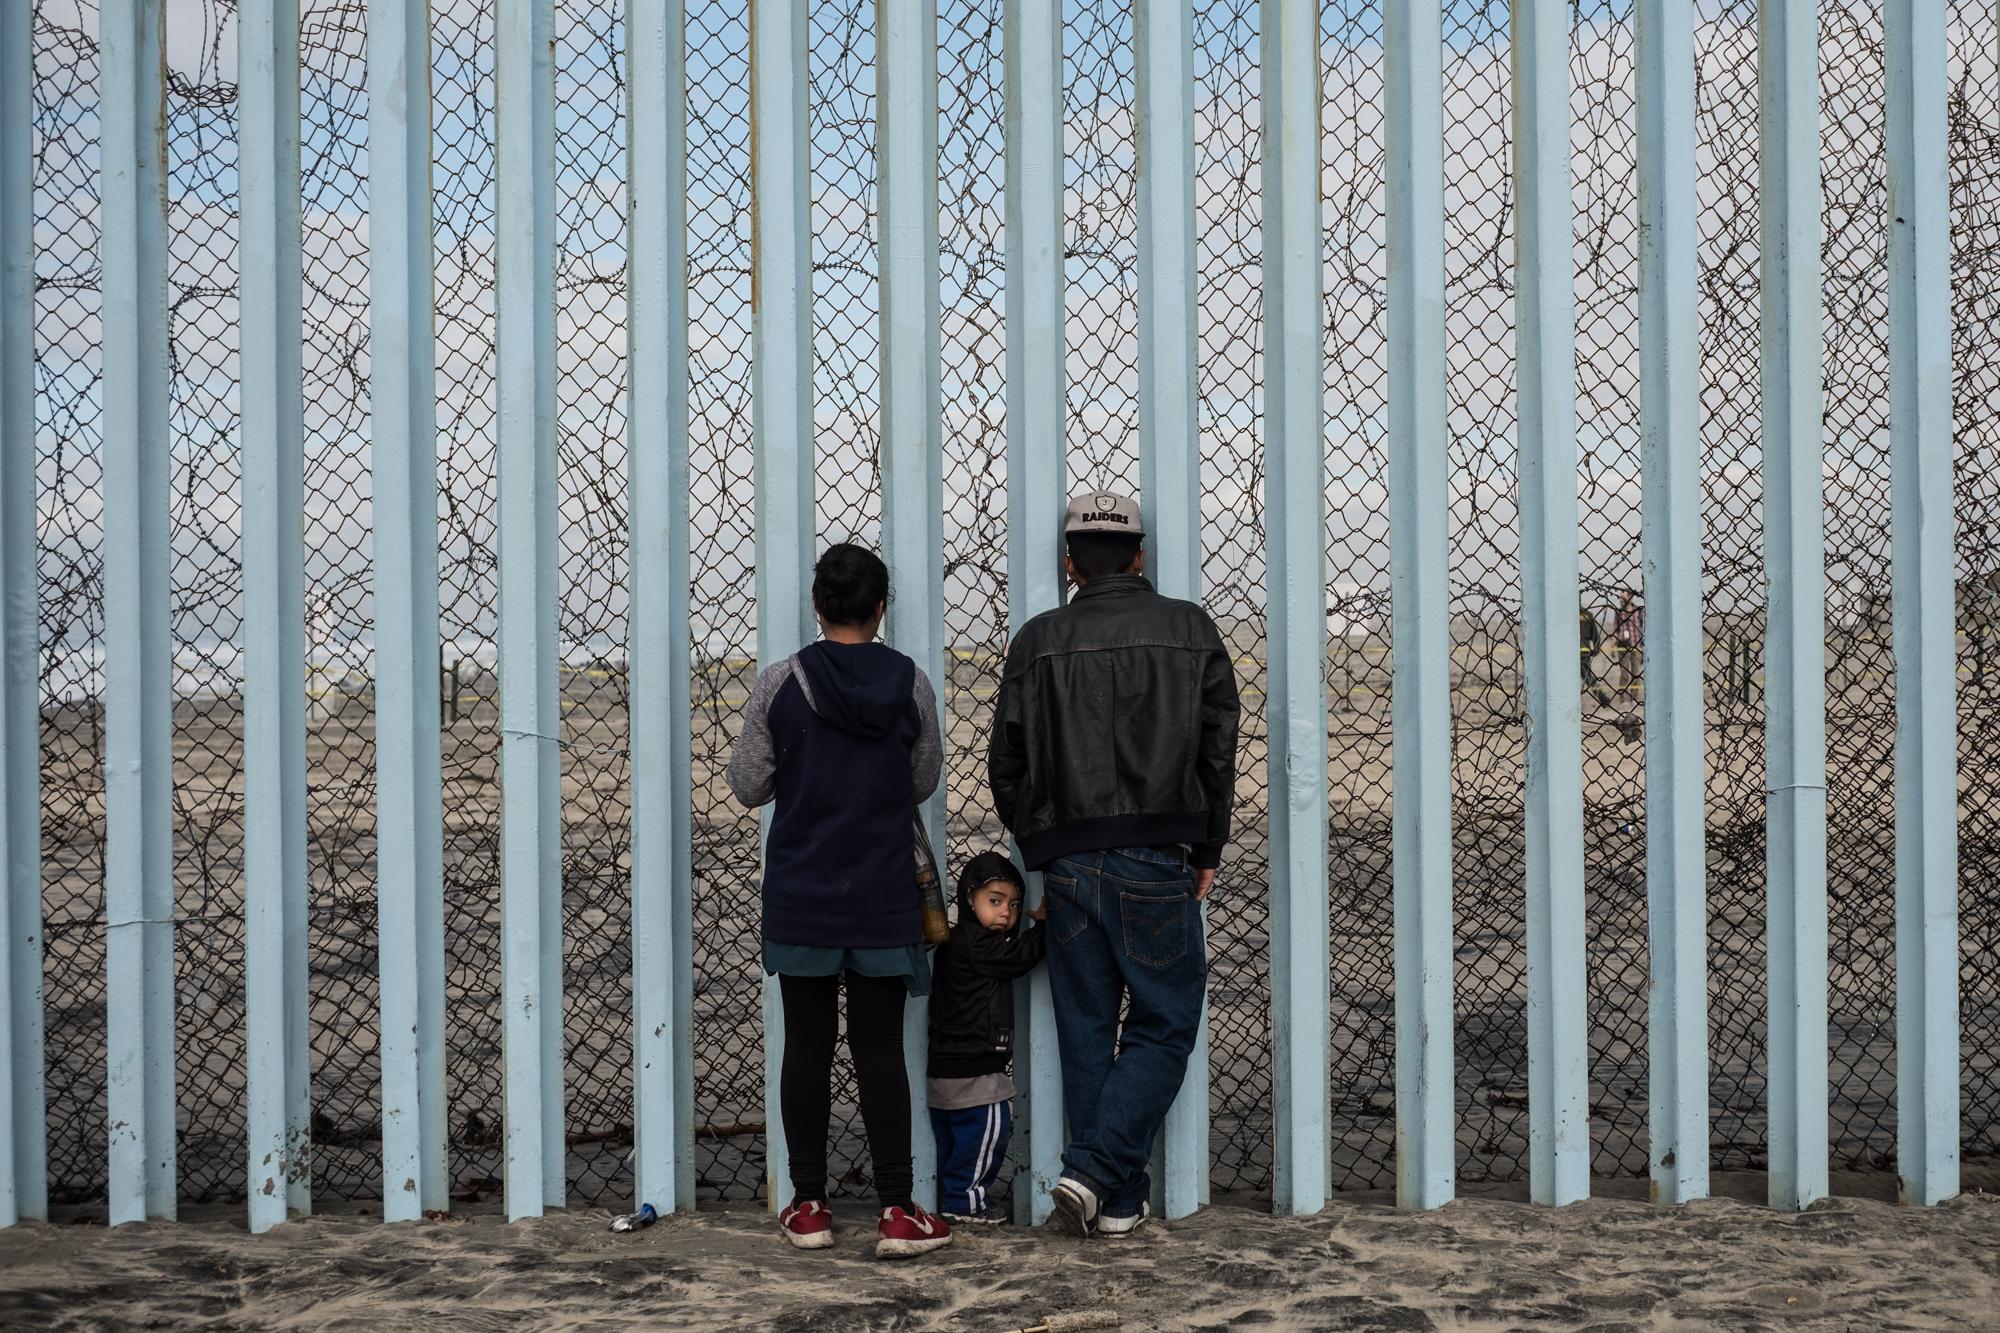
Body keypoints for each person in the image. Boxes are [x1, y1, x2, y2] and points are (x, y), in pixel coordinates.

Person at [987, 491, 1241, 1238]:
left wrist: (1044, 837)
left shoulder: (1038, 641)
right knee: (1165, 1021)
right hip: (1157, 855)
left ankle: (1118, 1202)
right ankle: (1100, 1173)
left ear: (1071, 564)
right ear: (1138, 557)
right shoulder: (1189, 630)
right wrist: (1207, 845)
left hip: (1067, 863)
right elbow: (1216, 751)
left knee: (1087, 1029)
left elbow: (1006, 764)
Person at [725, 542, 955, 1259]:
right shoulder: (911, 683)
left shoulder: (780, 682)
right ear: (881, 606)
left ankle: (811, 1205)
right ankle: (896, 1209)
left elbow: (747, 784)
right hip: (884, 893)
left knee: (808, 1045)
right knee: (881, 1047)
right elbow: (922, 780)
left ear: (819, 607)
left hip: (803, 893)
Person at [926, 851, 1046, 1225]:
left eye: (1013, 904)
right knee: (986, 1135)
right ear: (968, 899)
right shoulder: (979, 945)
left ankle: (952, 1195)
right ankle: (967, 1202)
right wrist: (1042, 926)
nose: (1006, 913)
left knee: (955, 1142)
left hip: (944, 1063)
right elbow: (1021, 956)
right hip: (976, 1065)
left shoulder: (958, 942)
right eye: (994, 901)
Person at [1611, 587, 1644, 702]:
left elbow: (1642, 628)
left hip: (1636, 646)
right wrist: (1612, 646)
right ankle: (1623, 698)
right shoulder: (1618, 612)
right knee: (1624, 674)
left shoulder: (1638, 611)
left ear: (1630, 596)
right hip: (1623, 646)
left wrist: (1642, 646)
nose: (1621, 597)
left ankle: (1634, 698)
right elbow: (1616, 630)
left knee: (1636, 673)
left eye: (1623, 595)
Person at [1578, 604, 1613, 707]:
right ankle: (1603, 699)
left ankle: (1603, 699)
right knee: (1588, 677)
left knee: (1587, 677)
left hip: (1576, 650)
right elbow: (1595, 633)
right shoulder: (1588, 614)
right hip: (1585, 649)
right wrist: (1596, 647)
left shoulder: (1567, 615)